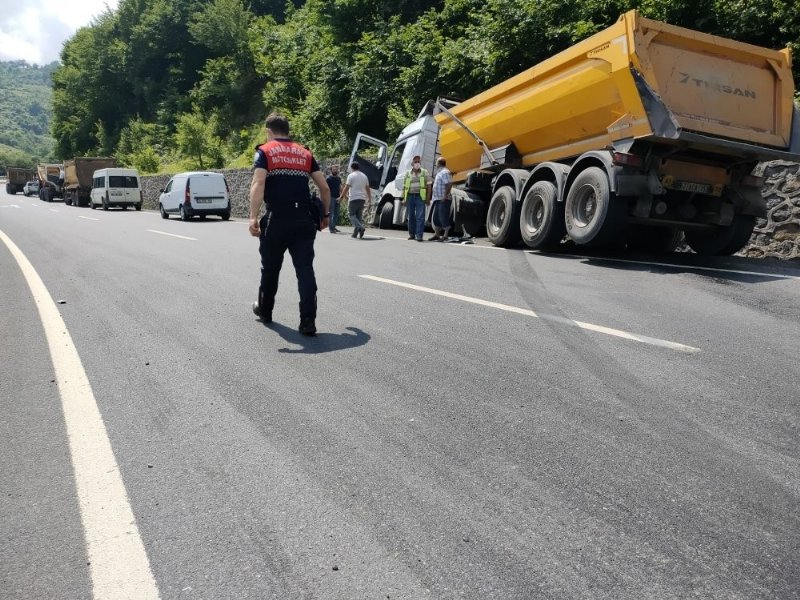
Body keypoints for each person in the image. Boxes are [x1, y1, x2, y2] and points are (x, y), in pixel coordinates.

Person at [248, 113, 331, 336]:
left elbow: (259, 182)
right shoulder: (305, 153)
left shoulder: (265, 151)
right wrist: (325, 214)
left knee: (271, 268)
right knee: (305, 270)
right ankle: (308, 321)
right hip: (304, 220)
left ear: (268, 131)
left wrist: (253, 217)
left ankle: (265, 310)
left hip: (277, 220)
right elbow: (324, 188)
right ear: (288, 130)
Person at [402, 155, 431, 241]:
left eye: (418, 162)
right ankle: (412, 234)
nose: (417, 163)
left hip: (420, 197)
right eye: (415, 162)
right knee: (411, 217)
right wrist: (404, 198)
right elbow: (404, 187)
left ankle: (419, 235)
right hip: (410, 196)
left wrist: (428, 198)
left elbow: (429, 185)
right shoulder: (408, 173)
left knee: (420, 217)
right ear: (412, 163)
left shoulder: (424, 172)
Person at [339, 162, 371, 239]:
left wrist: (341, 197)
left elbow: (346, 187)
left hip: (353, 198)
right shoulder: (364, 176)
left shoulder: (351, 176)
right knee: (358, 217)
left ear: (352, 168)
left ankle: (361, 227)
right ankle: (355, 234)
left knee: (351, 214)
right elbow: (367, 188)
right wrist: (369, 198)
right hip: (362, 198)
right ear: (358, 167)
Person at [428, 157, 453, 241]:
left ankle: (445, 235)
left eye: (436, 162)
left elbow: (449, 184)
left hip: (443, 199)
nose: (435, 164)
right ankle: (437, 234)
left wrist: (445, 196)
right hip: (437, 199)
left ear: (438, 163)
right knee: (436, 218)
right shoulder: (440, 172)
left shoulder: (445, 172)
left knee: (443, 217)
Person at [325, 164, 342, 233]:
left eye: (336, 169)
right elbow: (326, 189)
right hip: (331, 197)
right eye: (334, 169)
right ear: (331, 170)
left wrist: (342, 196)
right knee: (331, 213)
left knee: (336, 213)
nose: (335, 170)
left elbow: (340, 188)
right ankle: (331, 228)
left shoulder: (338, 178)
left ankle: (334, 227)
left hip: (338, 197)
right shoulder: (328, 179)